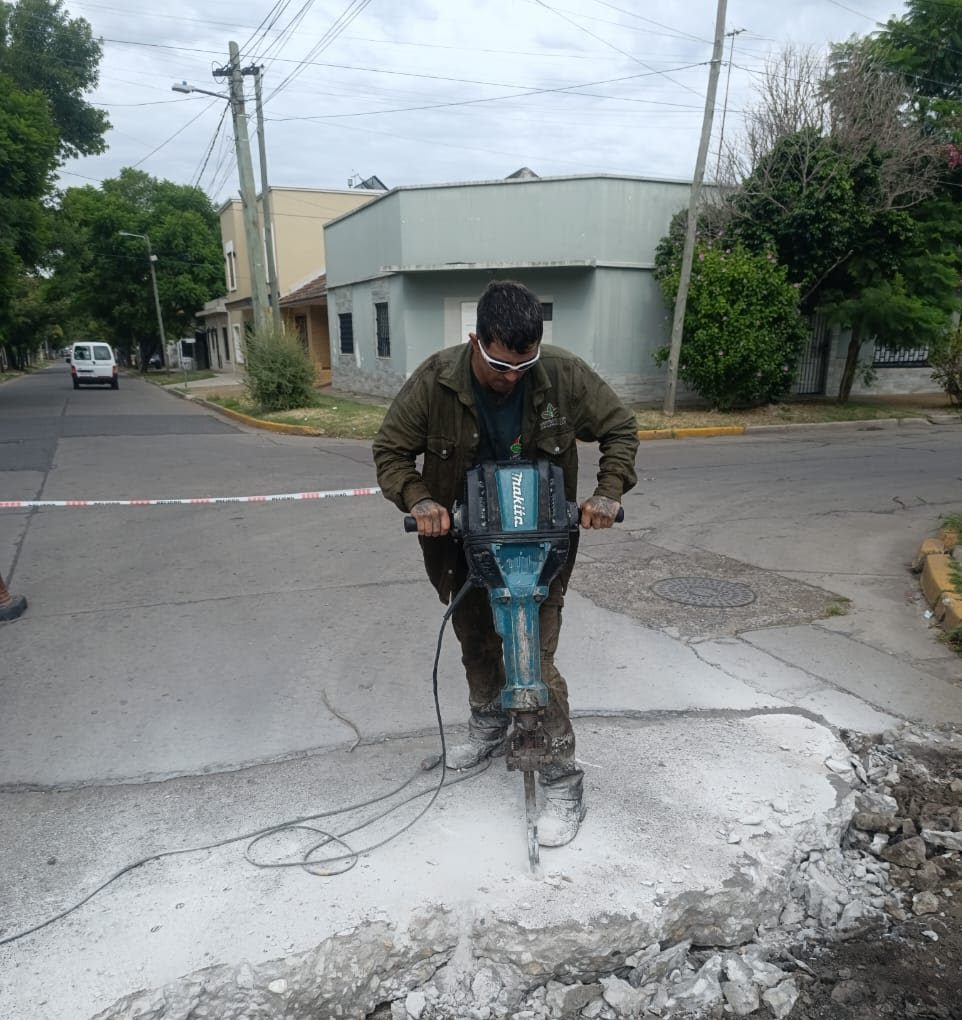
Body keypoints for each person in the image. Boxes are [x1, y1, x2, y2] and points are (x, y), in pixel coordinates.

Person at [373, 280, 639, 846]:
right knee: (476, 642)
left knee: (533, 661)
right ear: (475, 341)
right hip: (462, 547)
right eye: (499, 364)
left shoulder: (563, 374)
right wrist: (420, 500)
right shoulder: (435, 380)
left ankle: (562, 778)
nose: (512, 376)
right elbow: (390, 451)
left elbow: (619, 428)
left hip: (541, 549)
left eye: (524, 364)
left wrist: (607, 492)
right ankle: (489, 726)